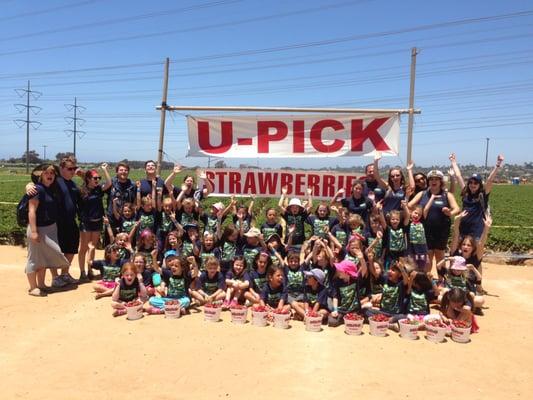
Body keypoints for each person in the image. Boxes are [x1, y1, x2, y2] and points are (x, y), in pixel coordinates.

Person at [27, 156, 81, 288]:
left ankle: (65, 274)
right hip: (57, 222)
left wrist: (83, 174)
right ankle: (55, 277)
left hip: (71, 221)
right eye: (69, 168)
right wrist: (28, 186)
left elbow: (91, 182)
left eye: (74, 168)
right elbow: (37, 183)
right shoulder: (56, 181)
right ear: (61, 168)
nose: (72, 171)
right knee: (56, 251)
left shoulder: (73, 183)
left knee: (71, 249)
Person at [25, 164, 70, 296]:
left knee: (43, 258)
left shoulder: (52, 189)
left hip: (51, 228)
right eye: (46, 173)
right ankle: (33, 288)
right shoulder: (37, 190)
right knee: (34, 258)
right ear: (40, 175)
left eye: (52, 173)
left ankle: (41, 284)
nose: (50, 175)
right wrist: (34, 231)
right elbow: (31, 211)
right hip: (38, 228)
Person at [408, 169, 460, 268]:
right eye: (431, 179)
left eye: (437, 179)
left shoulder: (446, 195)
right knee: (427, 258)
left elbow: (457, 208)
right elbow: (409, 206)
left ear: (441, 182)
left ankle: (441, 280)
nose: (434, 181)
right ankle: (428, 280)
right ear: (428, 181)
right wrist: (417, 212)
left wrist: (450, 213)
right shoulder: (422, 194)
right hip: (425, 230)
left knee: (440, 256)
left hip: (441, 231)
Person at [450, 153, 504, 240]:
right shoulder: (465, 192)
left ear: (480, 184)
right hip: (463, 227)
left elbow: (490, 180)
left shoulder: (483, 194)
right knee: (463, 251)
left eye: (475, 183)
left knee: (476, 251)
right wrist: (453, 161)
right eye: (470, 182)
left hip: (477, 229)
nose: (472, 184)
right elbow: (458, 175)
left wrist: (498, 164)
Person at [78, 164, 112, 282]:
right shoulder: (81, 190)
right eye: (95, 178)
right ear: (88, 179)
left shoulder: (98, 190)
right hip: (86, 222)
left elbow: (109, 183)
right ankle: (82, 272)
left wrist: (105, 170)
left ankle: (89, 269)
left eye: (99, 178)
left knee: (92, 247)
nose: (97, 180)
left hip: (97, 222)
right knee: (83, 248)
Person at [328, 259, 362, 327]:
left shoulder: (356, 280)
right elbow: (335, 297)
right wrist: (335, 310)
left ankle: (345, 319)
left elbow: (363, 269)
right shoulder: (336, 282)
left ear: (347, 272)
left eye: (340, 270)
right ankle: (344, 318)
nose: (337, 271)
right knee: (332, 322)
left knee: (355, 323)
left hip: (354, 310)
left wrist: (362, 259)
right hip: (341, 310)